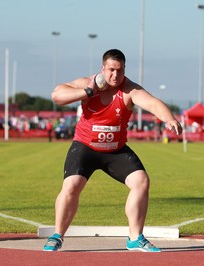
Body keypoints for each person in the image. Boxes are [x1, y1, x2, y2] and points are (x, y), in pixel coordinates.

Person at [42, 49, 182, 252]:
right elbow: (57, 95)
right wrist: (87, 92)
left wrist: (170, 119)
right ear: (103, 68)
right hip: (85, 147)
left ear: (125, 69)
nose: (115, 75)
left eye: (120, 70)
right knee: (72, 185)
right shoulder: (88, 83)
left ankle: (135, 238)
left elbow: (152, 103)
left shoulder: (129, 90)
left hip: (115, 151)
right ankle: (57, 236)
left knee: (141, 181)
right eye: (111, 70)